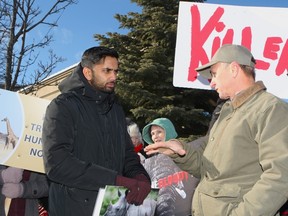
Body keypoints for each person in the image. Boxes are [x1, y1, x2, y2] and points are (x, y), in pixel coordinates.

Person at [145, 44, 288, 215]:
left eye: (214, 74)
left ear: (234, 69)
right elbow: (207, 170)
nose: (211, 82)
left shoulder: (269, 108)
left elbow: (280, 176)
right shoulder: (226, 114)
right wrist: (180, 151)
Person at [42, 46, 151, 216]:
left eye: (116, 71)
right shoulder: (62, 106)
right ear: (87, 73)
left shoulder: (115, 109)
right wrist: (116, 180)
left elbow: (128, 155)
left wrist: (141, 176)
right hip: (73, 208)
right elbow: (57, 164)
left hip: (112, 207)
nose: (114, 77)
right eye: (107, 71)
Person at [142, 117, 199, 216]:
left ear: (168, 131)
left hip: (184, 205)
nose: (155, 136)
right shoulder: (151, 159)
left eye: (159, 132)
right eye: (152, 134)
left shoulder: (181, 151)